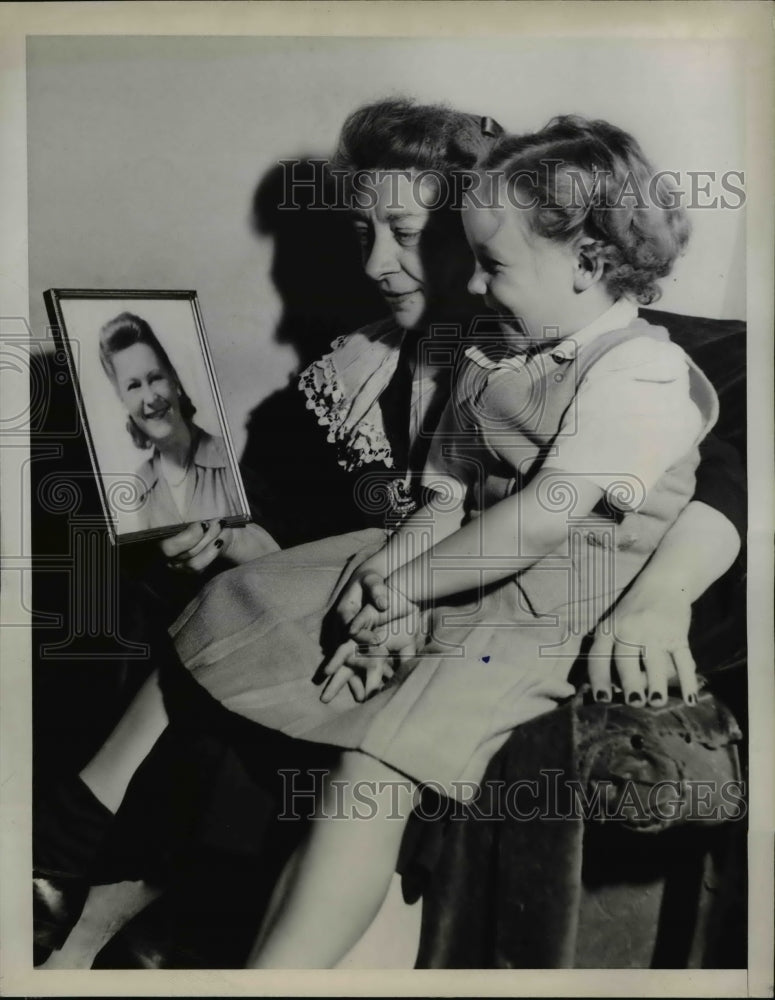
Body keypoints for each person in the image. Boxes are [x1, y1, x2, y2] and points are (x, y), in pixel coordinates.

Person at [34, 99, 742, 969]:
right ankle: (80, 872)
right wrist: (385, 584)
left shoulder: (642, 368)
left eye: (485, 260)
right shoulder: (488, 354)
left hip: (538, 596)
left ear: (586, 261)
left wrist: (406, 586)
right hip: (456, 561)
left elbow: (550, 511)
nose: (477, 285)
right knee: (237, 598)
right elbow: (440, 496)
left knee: (369, 777)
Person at [98, 312, 245, 531]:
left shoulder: (230, 455)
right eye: (134, 386)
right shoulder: (141, 485)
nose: (150, 398)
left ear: (173, 378)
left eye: (155, 378)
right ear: (122, 399)